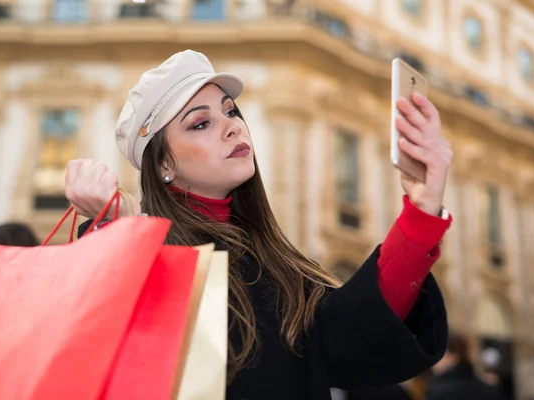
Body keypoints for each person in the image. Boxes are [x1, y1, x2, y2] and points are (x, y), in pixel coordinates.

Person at [65, 50, 454, 399]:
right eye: (200, 123)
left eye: (231, 111)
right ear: (163, 163)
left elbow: (355, 337)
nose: (233, 126)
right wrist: (118, 226)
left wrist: (421, 209)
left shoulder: (278, 264)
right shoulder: (132, 237)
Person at [426, 333, 504, 400]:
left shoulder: (438, 392)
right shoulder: (487, 390)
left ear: (454, 356)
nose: (434, 361)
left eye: (439, 354)